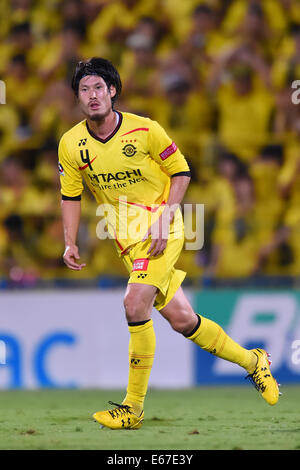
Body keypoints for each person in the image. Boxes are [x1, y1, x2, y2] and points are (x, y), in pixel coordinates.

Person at [58, 57, 280, 430]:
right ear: (78, 97)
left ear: (113, 91)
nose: (92, 95)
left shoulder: (145, 131)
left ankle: (132, 408)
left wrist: (164, 216)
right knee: (182, 320)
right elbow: (70, 196)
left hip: (166, 228)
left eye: (99, 87)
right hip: (126, 241)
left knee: (134, 302)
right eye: (84, 89)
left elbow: (181, 171)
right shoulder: (71, 143)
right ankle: (253, 360)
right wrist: (68, 242)